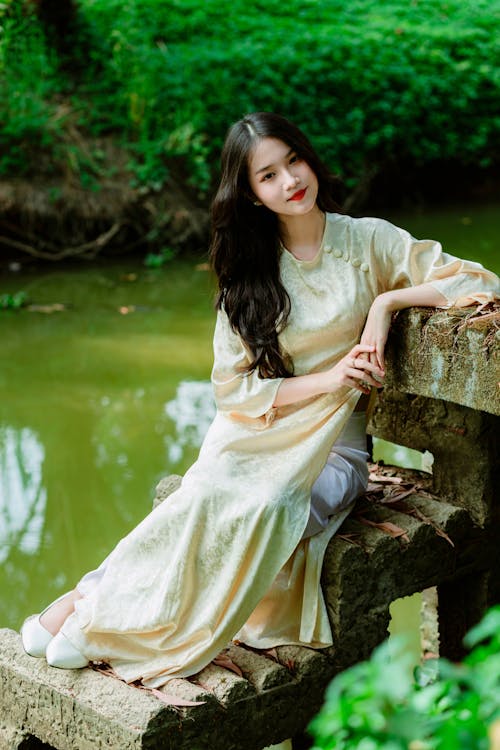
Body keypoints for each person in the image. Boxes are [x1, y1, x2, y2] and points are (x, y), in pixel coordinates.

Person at [21, 112, 499, 687]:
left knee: (267, 505)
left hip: (332, 453)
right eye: (267, 176)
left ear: (309, 158)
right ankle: (89, 602)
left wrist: (385, 305)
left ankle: (94, 621)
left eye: (293, 161)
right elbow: (235, 391)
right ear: (250, 193)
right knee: (204, 495)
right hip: (253, 435)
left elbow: (478, 282)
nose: (289, 181)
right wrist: (333, 378)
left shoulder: (368, 240)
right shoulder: (249, 272)